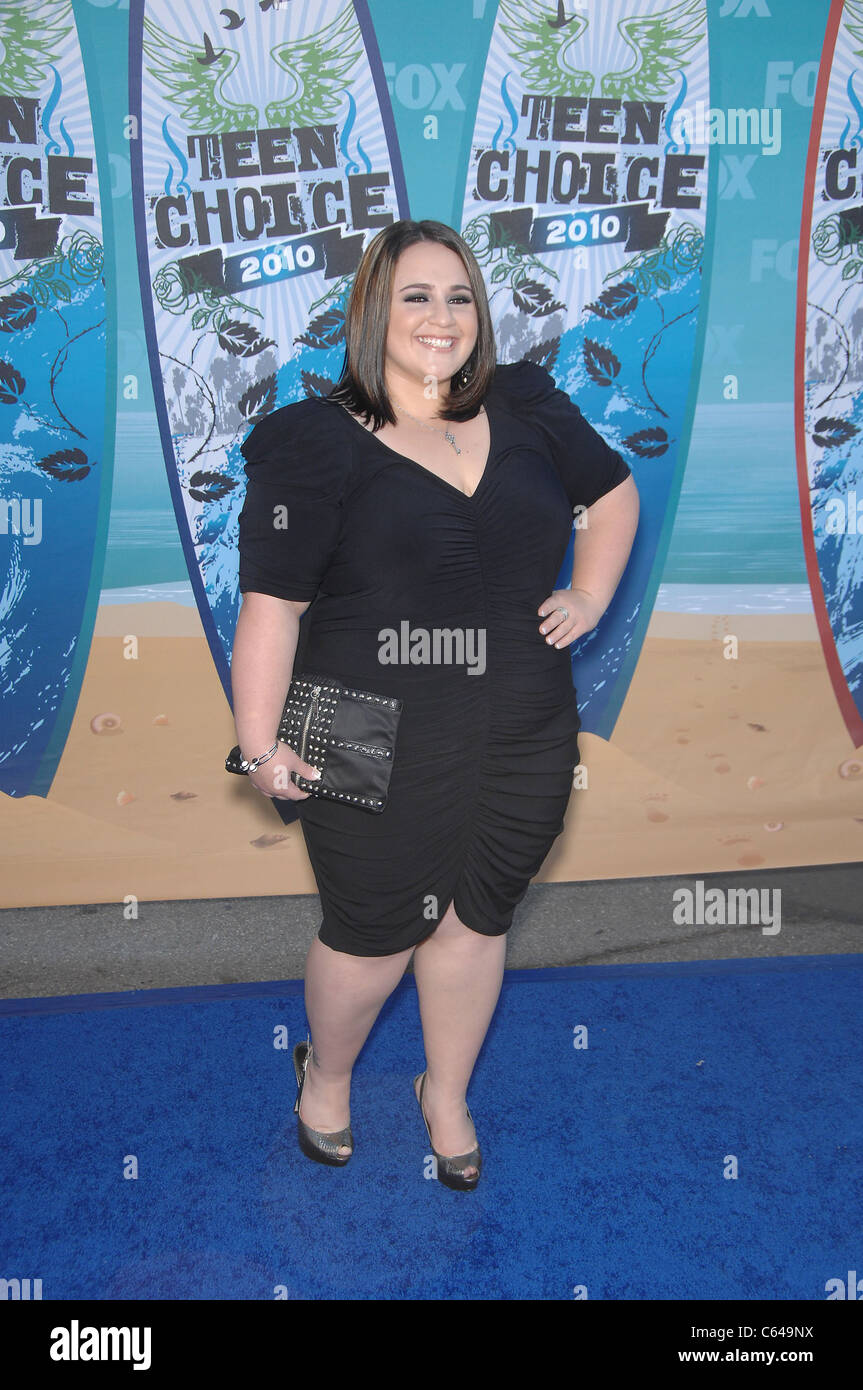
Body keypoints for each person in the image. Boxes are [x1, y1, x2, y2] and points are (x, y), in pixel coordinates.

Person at [230, 219, 639, 1190]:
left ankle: (442, 1092)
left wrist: (585, 596)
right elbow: (272, 610)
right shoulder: (307, 442)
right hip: (358, 731)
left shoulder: (528, 402)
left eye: (458, 296)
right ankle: (324, 1078)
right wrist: (257, 746)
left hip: (522, 727)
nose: (440, 317)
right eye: (415, 295)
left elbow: (614, 494)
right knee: (370, 934)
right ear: (373, 308)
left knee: (475, 923)